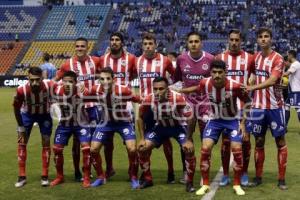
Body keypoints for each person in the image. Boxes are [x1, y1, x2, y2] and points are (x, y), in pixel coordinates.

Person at [175, 60, 250, 196]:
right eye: (214, 72)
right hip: (214, 119)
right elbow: (197, 88)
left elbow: (248, 102)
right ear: (210, 73)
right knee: (205, 148)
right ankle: (205, 184)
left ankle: (237, 184)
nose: (217, 75)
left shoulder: (235, 86)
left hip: (231, 120)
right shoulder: (205, 82)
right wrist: (181, 90)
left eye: (220, 72)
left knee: (237, 148)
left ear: (225, 73)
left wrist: (243, 123)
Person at [137, 77, 196, 192]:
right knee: (142, 148)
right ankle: (148, 179)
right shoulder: (149, 98)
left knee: (189, 149)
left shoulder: (178, 98)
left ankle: (189, 182)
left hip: (178, 127)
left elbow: (191, 118)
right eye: (155, 89)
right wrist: (142, 138)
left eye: (161, 89)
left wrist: (189, 139)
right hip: (161, 128)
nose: (158, 92)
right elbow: (139, 117)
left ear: (167, 89)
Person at [246, 27, 288, 190]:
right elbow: (250, 74)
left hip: (275, 107)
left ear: (271, 39)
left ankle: (281, 179)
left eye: (266, 36)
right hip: (257, 108)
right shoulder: (254, 58)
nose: (263, 39)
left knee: (280, 141)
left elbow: (272, 80)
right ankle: (258, 177)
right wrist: (250, 81)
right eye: (260, 37)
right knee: (259, 141)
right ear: (257, 40)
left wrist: (252, 87)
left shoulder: (278, 59)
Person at [55, 37, 101, 182]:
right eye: (77, 46)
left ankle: (92, 171)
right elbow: (56, 81)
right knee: (76, 143)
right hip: (75, 109)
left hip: (92, 107)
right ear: (75, 47)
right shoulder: (67, 64)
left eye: (83, 46)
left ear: (88, 47)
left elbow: (105, 75)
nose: (80, 48)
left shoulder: (95, 61)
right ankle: (77, 172)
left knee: (92, 143)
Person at [88, 67, 140, 189]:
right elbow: (84, 95)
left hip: (124, 123)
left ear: (114, 79)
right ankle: (101, 177)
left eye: (108, 78)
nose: (105, 81)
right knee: (93, 149)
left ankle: (133, 176)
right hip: (105, 123)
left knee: (132, 149)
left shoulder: (123, 90)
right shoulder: (96, 89)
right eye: (102, 79)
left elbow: (138, 99)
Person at [215, 29, 255, 186]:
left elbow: (254, 75)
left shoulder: (249, 58)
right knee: (225, 143)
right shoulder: (220, 58)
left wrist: (250, 84)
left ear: (241, 41)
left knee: (245, 140)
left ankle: (244, 173)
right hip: (225, 109)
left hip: (243, 106)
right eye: (231, 39)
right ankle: (225, 174)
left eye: (237, 40)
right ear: (228, 40)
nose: (234, 42)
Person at [173, 31, 214, 183]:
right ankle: (186, 172)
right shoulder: (181, 59)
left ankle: (204, 174)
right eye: (191, 42)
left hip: (205, 105)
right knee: (186, 139)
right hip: (187, 105)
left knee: (206, 140)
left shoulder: (210, 59)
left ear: (201, 43)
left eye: (196, 41)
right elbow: (177, 79)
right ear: (187, 43)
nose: (194, 44)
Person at [136, 33, 176, 183]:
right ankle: (146, 172)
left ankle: (171, 171)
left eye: (150, 43)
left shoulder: (164, 60)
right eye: (145, 43)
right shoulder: (137, 61)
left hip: (162, 107)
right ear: (142, 45)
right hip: (146, 108)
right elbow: (131, 75)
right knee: (146, 140)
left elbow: (174, 77)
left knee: (166, 139)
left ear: (155, 44)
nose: (148, 46)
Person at [99, 32, 137, 179]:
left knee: (128, 141)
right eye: (112, 40)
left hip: (125, 104)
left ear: (122, 43)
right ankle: (109, 169)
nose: (114, 42)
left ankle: (131, 170)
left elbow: (133, 73)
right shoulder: (103, 59)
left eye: (117, 40)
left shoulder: (131, 58)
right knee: (108, 140)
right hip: (107, 103)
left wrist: (124, 87)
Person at [13, 67, 55, 187]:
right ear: (28, 78)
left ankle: (45, 175)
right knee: (22, 142)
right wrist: (20, 126)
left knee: (46, 142)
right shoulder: (21, 90)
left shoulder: (50, 85)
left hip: (45, 115)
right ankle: (21, 176)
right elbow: (16, 109)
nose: (35, 83)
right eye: (32, 80)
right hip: (27, 115)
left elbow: (64, 86)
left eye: (38, 79)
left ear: (42, 78)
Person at [50, 71, 92, 188]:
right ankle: (59, 176)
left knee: (86, 148)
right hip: (64, 124)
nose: (67, 84)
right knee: (57, 149)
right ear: (61, 81)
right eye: (65, 81)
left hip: (81, 124)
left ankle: (86, 177)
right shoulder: (56, 90)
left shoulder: (83, 92)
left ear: (76, 83)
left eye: (71, 82)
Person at [283, 50, 300, 126]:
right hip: (291, 91)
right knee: (286, 107)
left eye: (288, 55)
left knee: (298, 109)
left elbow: (286, 74)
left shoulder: (295, 64)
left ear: (290, 55)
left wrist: (276, 73)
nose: (287, 57)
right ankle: (285, 126)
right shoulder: (295, 64)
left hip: (296, 91)